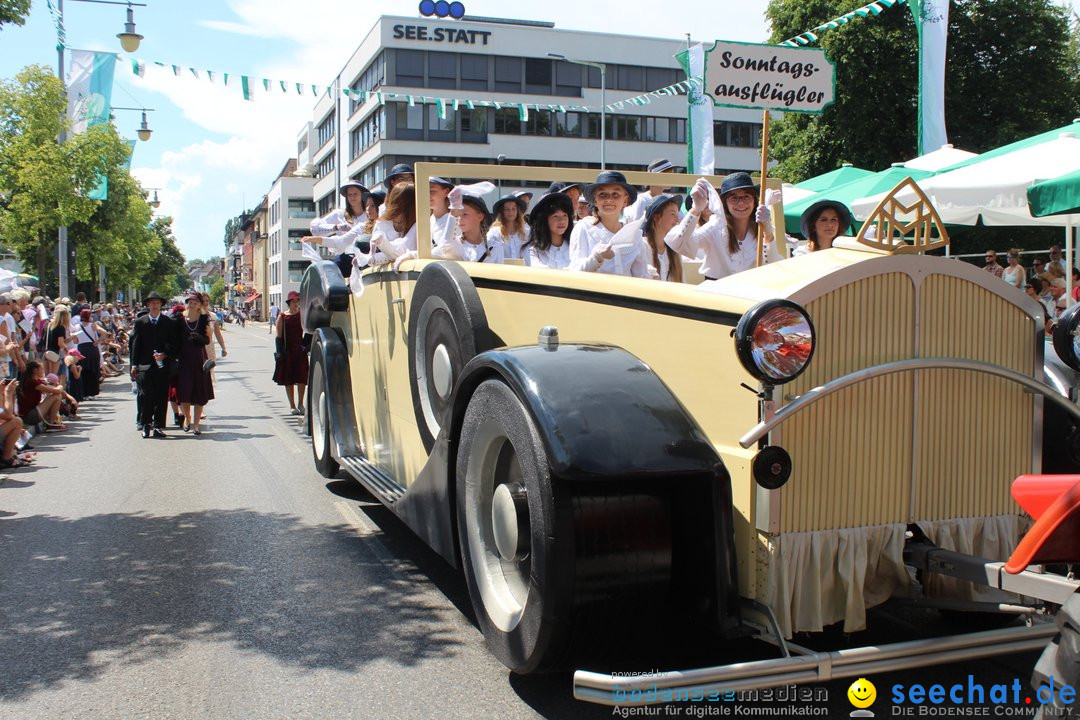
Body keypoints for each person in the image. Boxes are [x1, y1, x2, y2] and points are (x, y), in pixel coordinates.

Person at [666, 173, 782, 281]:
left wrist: (767, 231)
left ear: (754, 200)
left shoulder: (761, 227)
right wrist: (696, 209)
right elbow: (678, 243)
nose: (741, 203)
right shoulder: (715, 227)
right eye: (734, 198)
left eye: (746, 197)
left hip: (750, 293)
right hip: (718, 296)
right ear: (725, 203)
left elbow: (773, 266)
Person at [569, 170, 648, 277]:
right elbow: (574, 271)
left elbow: (641, 275)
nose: (609, 200)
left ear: (625, 200)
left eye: (615, 194)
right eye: (602, 195)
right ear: (595, 200)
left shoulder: (634, 234)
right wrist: (596, 257)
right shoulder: (583, 228)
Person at [129, 291, 177, 438]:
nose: (155, 305)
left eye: (157, 303)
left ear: (161, 305)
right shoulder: (140, 322)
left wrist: (165, 354)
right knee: (145, 395)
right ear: (148, 305)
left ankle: (158, 426)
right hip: (145, 365)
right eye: (152, 303)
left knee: (161, 396)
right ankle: (145, 424)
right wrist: (133, 365)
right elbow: (135, 346)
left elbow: (174, 343)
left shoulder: (168, 323)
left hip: (162, 366)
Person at [176, 294, 214, 435]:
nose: (191, 304)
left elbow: (207, 339)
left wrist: (200, 338)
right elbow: (175, 339)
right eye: (189, 302)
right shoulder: (181, 319)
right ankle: (187, 418)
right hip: (184, 360)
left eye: (194, 302)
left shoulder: (203, 319)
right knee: (184, 393)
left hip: (199, 359)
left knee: (199, 394)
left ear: (199, 305)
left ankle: (196, 424)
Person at [431, 189, 503, 264]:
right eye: (457, 215)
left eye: (465, 214)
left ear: (480, 217)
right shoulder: (455, 244)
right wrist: (452, 213)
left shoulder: (495, 247)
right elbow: (445, 245)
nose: (459, 219)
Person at [365, 183, 418, 275]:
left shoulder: (419, 223)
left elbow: (404, 249)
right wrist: (368, 258)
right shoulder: (381, 224)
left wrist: (382, 242)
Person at [273, 291, 309, 416]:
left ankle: (301, 404)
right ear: (289, 303)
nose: (296, 304)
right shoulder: (283, 316)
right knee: (289, 379)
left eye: (298, 301)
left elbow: (308, 331)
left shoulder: (302, 315)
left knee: (302, 378)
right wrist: (280, 353)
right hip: (287, 351)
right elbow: (278, 337)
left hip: (300, 350)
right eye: (294, 301)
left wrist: (306, 346)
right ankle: (292, 405)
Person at [524, 192, 575, 269]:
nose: (562, 221)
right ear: (544, 220)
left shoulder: (574, 248)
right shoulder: (533, 252)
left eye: (565, 215)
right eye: (555, 216)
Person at [19, 360, 73, 431]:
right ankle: (51, 424)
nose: (43, 371)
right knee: (57, 396)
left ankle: (52, 421)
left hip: (33, 412)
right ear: (35, 370)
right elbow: (57, 390)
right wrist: (60, 385)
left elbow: (54, 389)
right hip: (30, 416)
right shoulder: (32, 382)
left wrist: (72, 399)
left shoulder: (36, 381)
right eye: (42, 369)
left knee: (56, 395)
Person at [641, 194, 684, 282]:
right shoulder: (642, 246)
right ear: (657, 218)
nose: (677, 219)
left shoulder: (674, 249)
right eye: (673, 214)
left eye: (677, 214)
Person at [488, 194, 529, 260]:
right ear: (501, 212)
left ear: (517, 211)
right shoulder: (494, 233)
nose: (511, 212)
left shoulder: (526, 231)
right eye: (507, 209)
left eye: (513, 209)